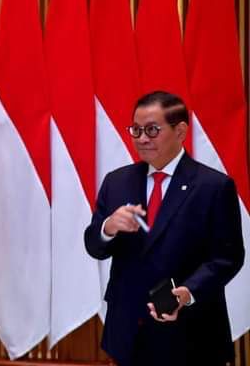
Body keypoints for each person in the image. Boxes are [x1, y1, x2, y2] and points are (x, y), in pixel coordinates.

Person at [84, 91, 244, 366]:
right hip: (128, 333)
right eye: (136, 130)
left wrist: (188, 292)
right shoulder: (117, 181)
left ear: (180, 131)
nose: (142, 138)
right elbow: (94, 245)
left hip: (191, 334)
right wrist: (108, 227)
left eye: (152, 130)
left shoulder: (214, 187)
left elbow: (227, 258)